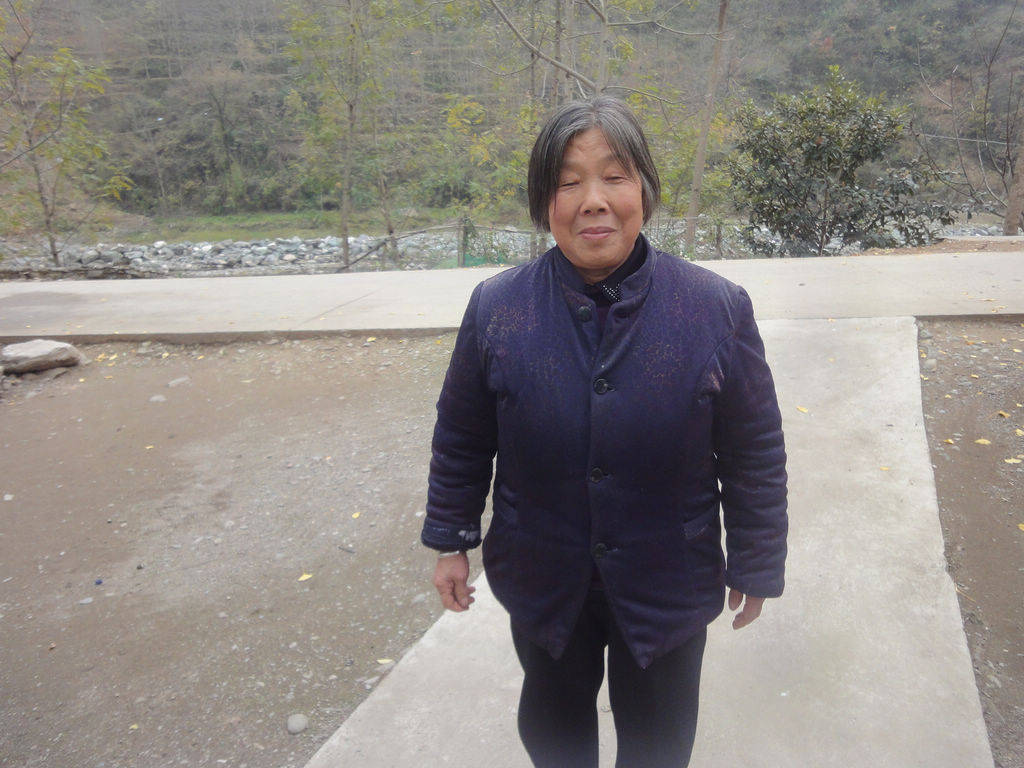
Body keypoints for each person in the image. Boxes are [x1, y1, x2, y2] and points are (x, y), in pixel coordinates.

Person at [422, 95, 788, 768]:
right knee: (553, 732)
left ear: (644, 188)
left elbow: (753, 452)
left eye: (614, 176)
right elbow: (462, 435)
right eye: (568, 182)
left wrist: (757, 560)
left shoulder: (714, 307)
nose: (593, 200)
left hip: (669, 578)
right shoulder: (498, 307)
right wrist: (451, 539)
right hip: (543, 577)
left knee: (659, 744)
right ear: (545, 202)